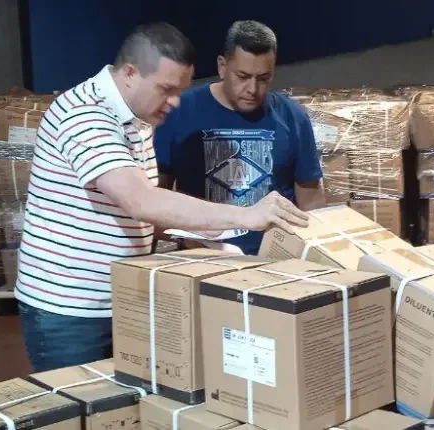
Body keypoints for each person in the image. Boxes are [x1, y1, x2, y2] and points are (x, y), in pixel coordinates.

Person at [15, 22, 309, 373]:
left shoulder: (137, 117)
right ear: (130, 73)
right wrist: (245, 215)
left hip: (120, 297)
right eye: (166, 89)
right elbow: (141, 200)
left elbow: (136, 213)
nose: (175, 102)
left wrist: (198, 234)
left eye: (180, 91)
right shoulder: (85, 115)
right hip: (70, 311)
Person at [154, 20, 325, 255]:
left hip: (274, 262)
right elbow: (153, 202)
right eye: (243, 76)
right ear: (222, 66)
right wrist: (185, 237)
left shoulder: (293, 117)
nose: (253, 89)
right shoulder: (179, 111)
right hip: (202, 260)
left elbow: (312, 204)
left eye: (263, 78)